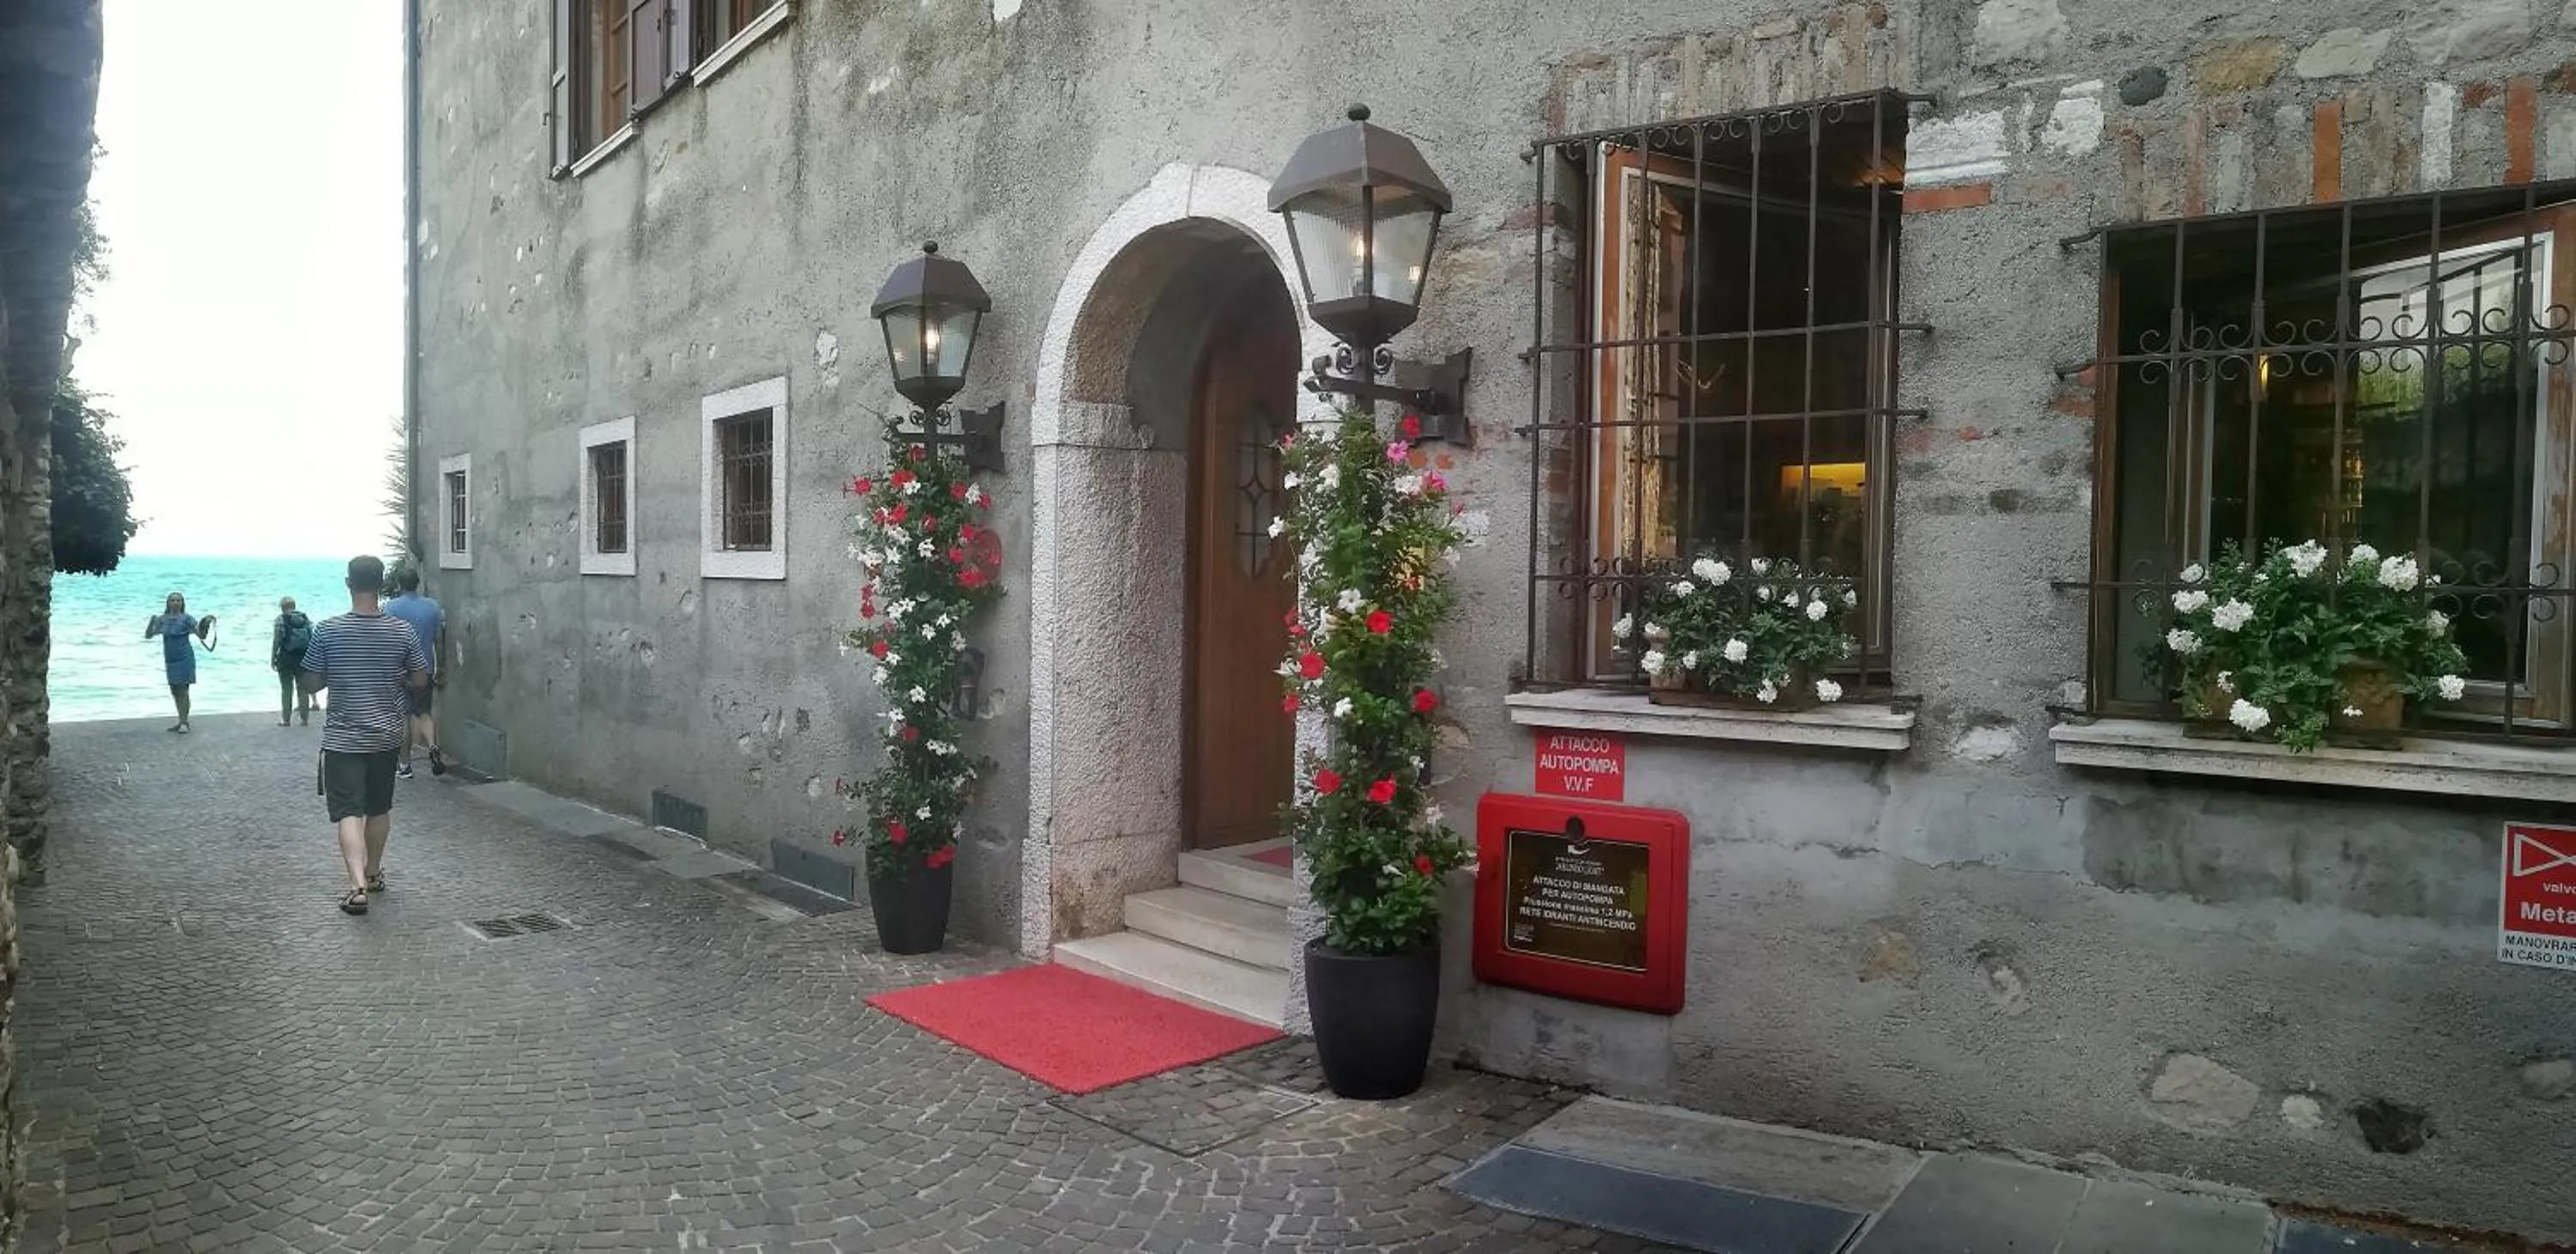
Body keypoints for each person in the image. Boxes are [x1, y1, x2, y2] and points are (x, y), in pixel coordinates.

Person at [299, 555, 430, 916]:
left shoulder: (327, 630)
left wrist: (331, 675)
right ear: (382, 584)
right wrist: (399, 678)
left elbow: (310, 680)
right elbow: (420, 678)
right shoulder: (401, 631)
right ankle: (373, 873)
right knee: (378, 807)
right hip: (386, 734)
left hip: (343, 738)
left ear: (348, 584)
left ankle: (356, 887)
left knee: (348, 813)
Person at [384, 566, 447, 779]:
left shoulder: (391, 608)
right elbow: (439, 639)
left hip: (400, 671)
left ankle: (404, 764)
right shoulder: (433, 607)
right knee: (424, 713)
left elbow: (386, 643)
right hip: (426, 668)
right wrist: (441, 666)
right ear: (417, 583)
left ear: (400, 585)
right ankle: (432, 747)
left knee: (403, 717)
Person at [143, 592, 215, 734]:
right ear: (168, 603)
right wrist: (151, 622)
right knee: (175, 691)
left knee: (183, 690)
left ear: (182, 603)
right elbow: (148, 636)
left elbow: (201, 635)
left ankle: (184, 722)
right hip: (170, 658)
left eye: (178, 600)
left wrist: (205, 624)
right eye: (173, 600)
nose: (176, 602)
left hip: (185, 657)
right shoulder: (162, 619)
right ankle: (181, 719)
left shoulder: (187, 619)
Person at [271, 597, 317, 727]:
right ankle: (304, 719)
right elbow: (312, 638)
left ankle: (286, 720)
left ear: (282, 607)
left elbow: (277, 640)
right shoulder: (305, 619)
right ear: (294, 605)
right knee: (303, 688)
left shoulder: (281, 619)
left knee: (286, 689)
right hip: (303, 657)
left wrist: (273, 657)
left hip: (286, 658)